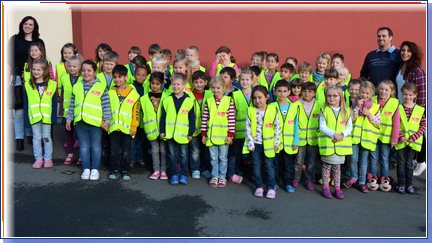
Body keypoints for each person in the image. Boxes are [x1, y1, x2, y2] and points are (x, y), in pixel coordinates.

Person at [66, 60, 111, 181]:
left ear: (95, 72)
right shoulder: (77, 86)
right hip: (80, 122)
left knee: (96, 146)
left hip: (95, 123)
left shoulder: (101, 87)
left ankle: (95, 169)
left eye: (89, 70)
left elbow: (106, 106)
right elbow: (72, 105)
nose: (86, 73)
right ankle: (86, 169)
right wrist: (69, 118)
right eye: (84, 70)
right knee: (84, 146)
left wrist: (107, 121)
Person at [9, 16, 45, 151]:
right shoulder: (15, 39)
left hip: (36, 77)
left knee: (32, 107)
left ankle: (30, 134)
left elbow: (43, 57)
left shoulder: (38, 41)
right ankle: (19, 138)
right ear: (21, 25)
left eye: (31, 24)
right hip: (18, 77)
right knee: (19, 110)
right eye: (25, 23)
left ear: (34, 27)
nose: (28, 26)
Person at [343, 81, 380, 193]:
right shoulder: (353, 104)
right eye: (362, 93)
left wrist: (369, 114)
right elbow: (350, 119)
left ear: (372, 94)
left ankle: (362, 181)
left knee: (363, 161)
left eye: (367, 93)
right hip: (354, 137)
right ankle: (353, 178)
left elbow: (378, 122)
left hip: (367, 139)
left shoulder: (375, 106)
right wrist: (357, 108)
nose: (364, 95)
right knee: (353, 159)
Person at [244, 86, 281, 199]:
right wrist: (250, 143)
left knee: (269, 166)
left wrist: (276, 143)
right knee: (256, 166)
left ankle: (271, 187)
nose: (257, 100)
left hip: (269, 145)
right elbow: (248, 128)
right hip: (255, 145)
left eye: (260, 97)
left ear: (267, 97)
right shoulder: (250, 110)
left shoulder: (273, 110)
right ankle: (259, 186)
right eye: (254, 98)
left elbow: (277, 127)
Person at [396, 41, 426, 176]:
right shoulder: (401, 67)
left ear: (413, 53)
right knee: (405, 132)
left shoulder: (417, 70)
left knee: (419, 134)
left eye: (408, 51)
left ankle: (422, 162)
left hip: (414, 108)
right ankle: (413, 160)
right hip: (401, 105)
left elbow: (422, 92)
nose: (405, 53)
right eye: (403, 50)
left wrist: (419, 111)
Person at [159, 73, 195, 185]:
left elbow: (192, 119)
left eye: (178, 84)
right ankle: (174, 174)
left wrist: (190, 133)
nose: (176, 86)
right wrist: (162, 131)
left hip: (184, 134)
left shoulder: (189, 100)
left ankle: (183, 174)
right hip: (170, 134)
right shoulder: (167, 100)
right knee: (172, 155)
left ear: (184, 85)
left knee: (184, 156)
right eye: (174, 84)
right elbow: (163, 117)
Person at [318, 86, 353, 199]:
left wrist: (342, 135)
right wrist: (334, 134)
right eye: (329, 96)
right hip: (328, 144)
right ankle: (326, 188)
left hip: (340, 144)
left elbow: (349, 126)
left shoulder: (347, 110)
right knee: (326, 166)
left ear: (340, 97)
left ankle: (337, 189)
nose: (332, 98)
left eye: (335, 95)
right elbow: (322, 126)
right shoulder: (324, 110)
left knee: (337, 168)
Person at [106, 65, 140, 181]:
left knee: (126, 151)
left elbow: (136, 112)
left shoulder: (134, 94)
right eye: (115, 77)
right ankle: (114, 170)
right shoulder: (110, 92)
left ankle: (126, 171)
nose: (117, 79)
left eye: (120, 77)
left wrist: (134, 126)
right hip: (113, 127)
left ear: (126, 77)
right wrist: (104, 122)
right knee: (114, 150)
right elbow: (106, 109)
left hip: (127, 129)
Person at [201, 76, 235, 187]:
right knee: (213, 158)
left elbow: (231, 119)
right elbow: (205, 118)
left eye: (218, 88)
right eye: (213, 88)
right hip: (211, 136)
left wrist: (230, 135)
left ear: (224, 88)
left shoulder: (229, 101)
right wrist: (203, 134)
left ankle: (222, 176)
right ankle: (214, 176)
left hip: (224, 137)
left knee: (223, 158)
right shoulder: (209, 101)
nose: (216, 90)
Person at [24, 59, 57, 168]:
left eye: (39, 69)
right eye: (33, 69)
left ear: (45, 71)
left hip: (47, 118)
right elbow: (26, 103)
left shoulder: (52, 85)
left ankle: (48, 158)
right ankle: (38, 159)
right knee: (36, 138)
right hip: (34, 117)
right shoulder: (28, 85)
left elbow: (53, 103)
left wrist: (53, 118)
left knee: (46, 137)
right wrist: (26, 118)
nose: (35, 72)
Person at [395, 82, 426, 194]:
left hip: (413, 141)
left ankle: (409, 185)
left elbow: (423, 125)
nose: (407, 97)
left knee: (409, 163)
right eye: (405, 94)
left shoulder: (420, 110)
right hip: (401, 141)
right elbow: (395, 124)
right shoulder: (398, 108)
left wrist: (415, 137)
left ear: (415, 95)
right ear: (402, 94)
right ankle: (401, 184)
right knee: (401, 162)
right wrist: (400, 136)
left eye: (410, 95)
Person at [369, 80, 400, 190]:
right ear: (377, 89)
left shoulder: (394, 103)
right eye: (381, 89)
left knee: (384, 158)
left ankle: (384, 177)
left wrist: (394, 139)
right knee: (373, 158)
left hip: (385, 138)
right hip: (373, 135)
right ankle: (372, 177)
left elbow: (396, 123)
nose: (383, 91)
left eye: (387, 90)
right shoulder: (372, 100)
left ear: (391, 91)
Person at [270, 80, 299, 192]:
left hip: (289, 143)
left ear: (289, 92)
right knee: (275, 164)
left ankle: (288, 183)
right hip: (275, 143)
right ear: (275, 92)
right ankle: (275, 182)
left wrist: (295, 141)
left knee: (288, 165)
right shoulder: (271, 106)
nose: (282, 94)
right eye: (279, 91)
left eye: (284, 91)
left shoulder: (294, 107)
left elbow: (296, 125)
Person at [142, 72, 170, 180]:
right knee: (154, 150)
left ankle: (163, 171)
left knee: (163, 150)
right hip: (151, 129)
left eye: (157, 84)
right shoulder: (144, 98)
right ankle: (156, 170)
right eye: (153, 83)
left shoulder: (167, 97)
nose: (154, 86)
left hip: (163, 129)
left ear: (161, 84)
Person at [295, 82, 322, 191]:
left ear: (314, 93)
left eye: (310, 91)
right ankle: (296, 178)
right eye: (305, 91)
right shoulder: (296, 104)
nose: (307, 93)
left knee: (311, 163)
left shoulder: (319, 105)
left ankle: (309, 180)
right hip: (300, 139)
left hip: (313, 139)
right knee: (298, 162)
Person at [229, 69, 254, 184]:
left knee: (251, 156)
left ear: (252, 81)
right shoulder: (235, 95)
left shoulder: (257, 93)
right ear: (239, 81)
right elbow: (231, 114)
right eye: (242, 79)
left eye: (247, 79)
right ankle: (235, 173)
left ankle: (251, 175)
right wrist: (231, 131)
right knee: (236, 155)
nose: (245, 82)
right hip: (238, 131)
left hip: (253, 132)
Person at [58, 54, 83, 165]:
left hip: (79, 112)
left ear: (79, 67)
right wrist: (61, 110)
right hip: (67, 112)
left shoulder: (83, 78)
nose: (72, 69)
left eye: (74, 66)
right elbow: (62, 94)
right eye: (70, 66)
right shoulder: (64, 78)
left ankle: (82, 156)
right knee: (68, 134)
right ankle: (70, 154)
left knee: (81, 135)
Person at [191, 70, 212, 179]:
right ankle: (195, 169)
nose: (199, 84)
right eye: (196, 82)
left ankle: (205, 169)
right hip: (194, 129)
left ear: (205, 82)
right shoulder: (189, 95)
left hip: (207, 129)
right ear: (193, 83)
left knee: (206, 151)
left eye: (201, 82)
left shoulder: (210, 94)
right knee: (195, 151)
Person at [130, 65, 150, 168]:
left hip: (143, 119)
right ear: (134, 75)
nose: (141, 77)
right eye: (138, 75)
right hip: (134, 118)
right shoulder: (131, 87)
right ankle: (132, 159)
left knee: (141, 140)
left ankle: (140, 158)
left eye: (143, 75)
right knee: (132, 140)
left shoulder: (146, 87)